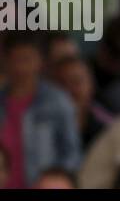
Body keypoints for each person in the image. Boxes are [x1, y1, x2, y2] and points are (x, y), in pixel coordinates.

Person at [0, 31, 82, 188]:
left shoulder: (58, 101)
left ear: (41, 61)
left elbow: (72, 154)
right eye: (15, 59)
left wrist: (52, 183)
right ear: (5, 61)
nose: (21, 67)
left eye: (27, 59)